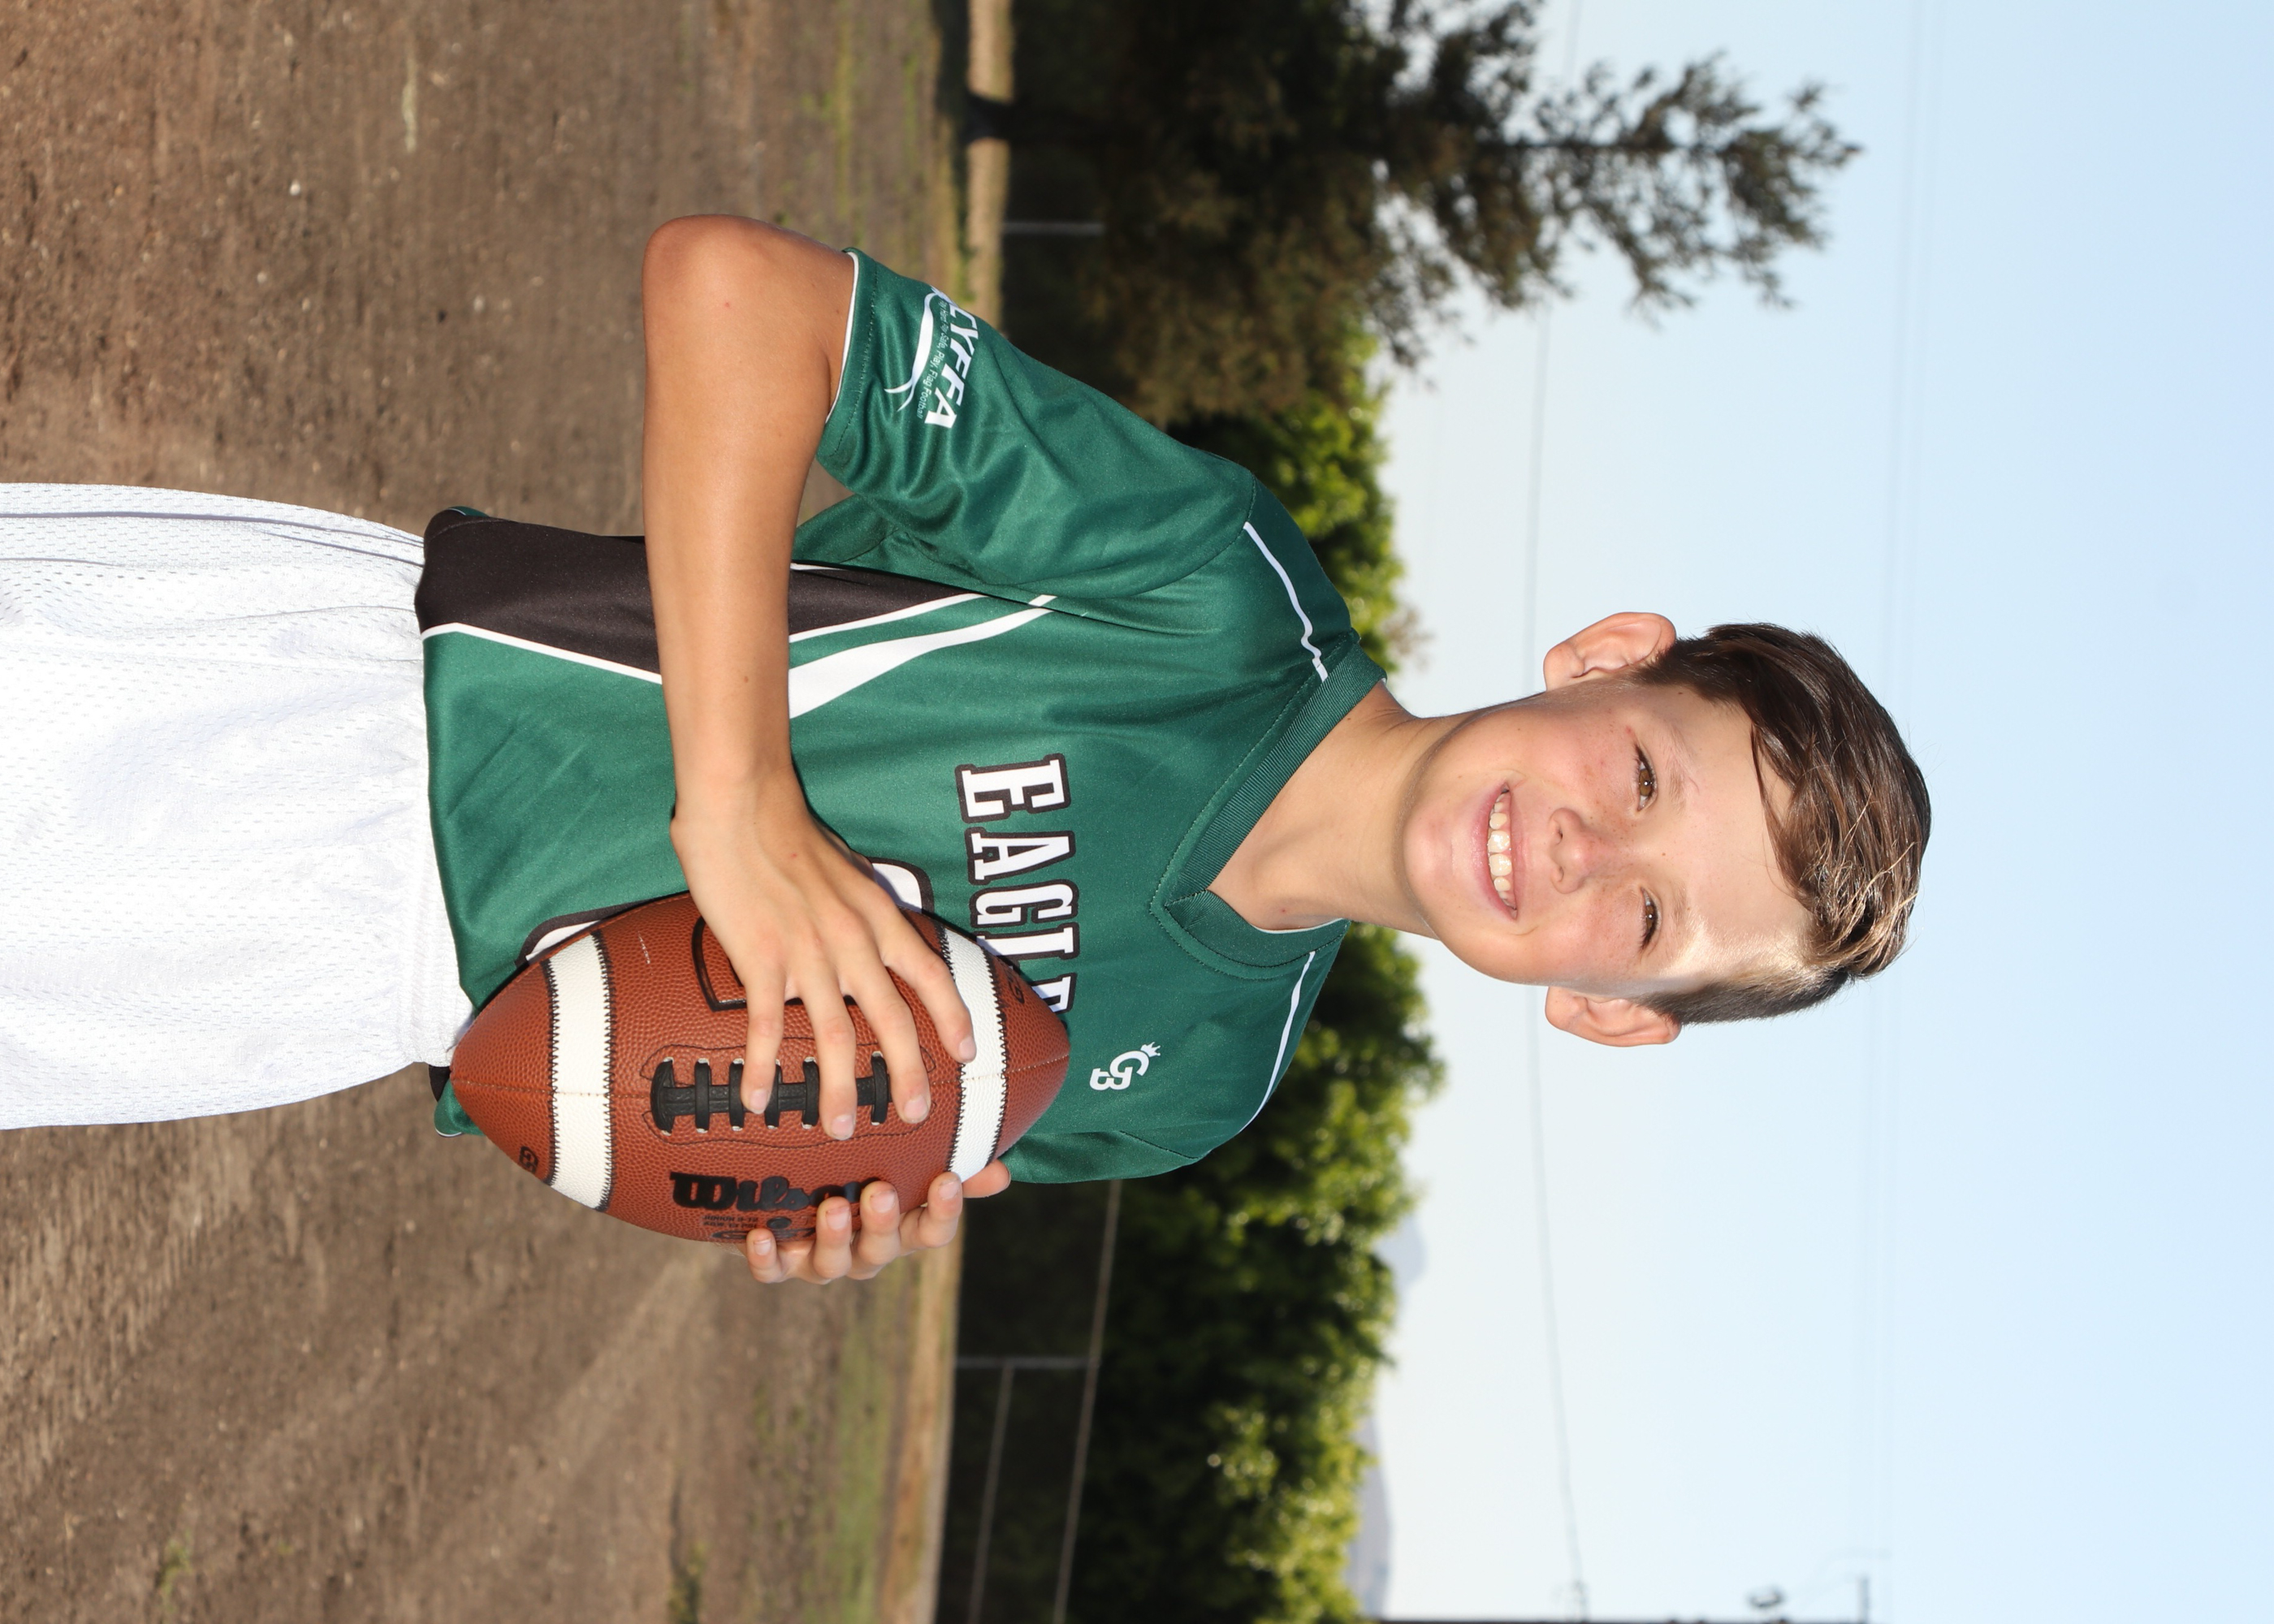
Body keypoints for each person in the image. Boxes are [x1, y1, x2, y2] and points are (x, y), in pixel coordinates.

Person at [0, 218, 1929, 1285]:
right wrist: (738, 802)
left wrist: (804, 1193)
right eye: (1643, 779)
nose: (1584, 853)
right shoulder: (1214, 586)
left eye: (1646, 919)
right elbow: (734, 293)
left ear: (1605, 1014)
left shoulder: (1188, 1089)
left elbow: (666, 1081)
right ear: (1606, 660)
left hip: (326, 996)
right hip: (330, 704)